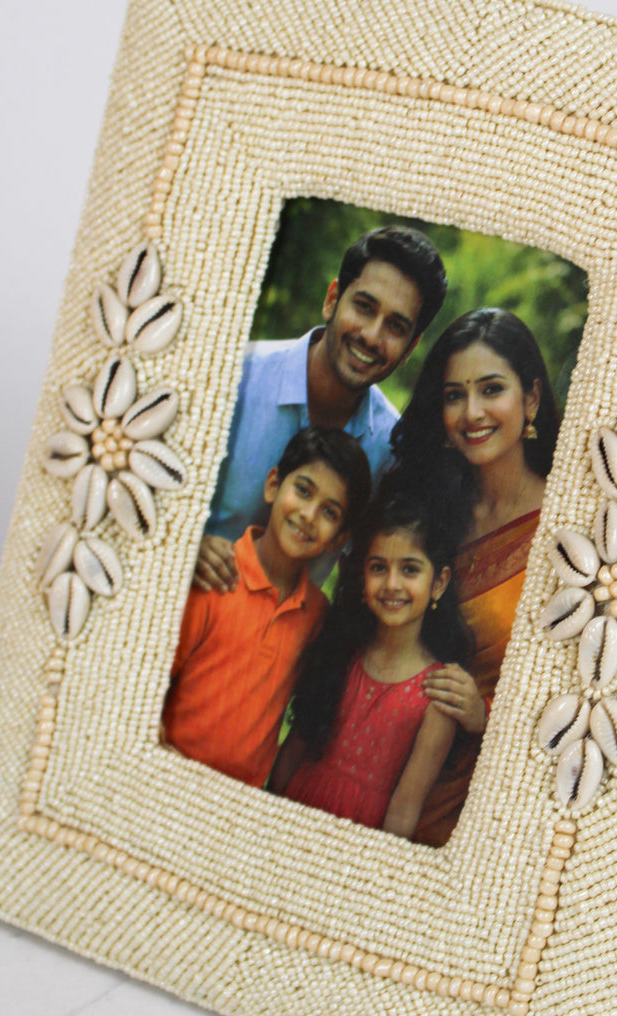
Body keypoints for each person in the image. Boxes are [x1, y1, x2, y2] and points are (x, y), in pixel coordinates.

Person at [384, 308, 561, 847]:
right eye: (454, 395)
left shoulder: (565, 529)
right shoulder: (432, 515)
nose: (472, 412)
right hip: (386, 770)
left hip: (491, 810)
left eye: (491, 389)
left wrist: (485, 718)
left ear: (530, 398)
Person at [195, 225, 448, 592]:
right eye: (364, 307)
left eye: (395, 326)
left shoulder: (390, 451)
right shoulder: (235, 377)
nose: (371, 336)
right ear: (332, 300)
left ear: (411, 347)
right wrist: (187, 541)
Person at [161, 427, 373, 789]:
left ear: (338, 539)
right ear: (273, 485)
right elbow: (151, 690)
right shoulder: (215, 576)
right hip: (169, 776)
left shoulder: (316, 615)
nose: (308, 515)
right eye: (303, 490)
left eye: (329, 511)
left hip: (240, 798)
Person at [269, 493, 474, 838]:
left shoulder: (437, 694)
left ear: (438, 583)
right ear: (362, 578)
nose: (392, 584)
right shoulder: (340, 653)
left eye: (409, 569)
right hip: (290, 817)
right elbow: (291, 754)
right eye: (378, 568)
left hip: (360, 842)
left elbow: (404, 811)